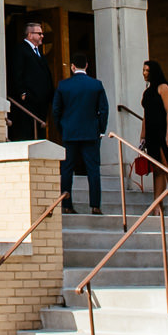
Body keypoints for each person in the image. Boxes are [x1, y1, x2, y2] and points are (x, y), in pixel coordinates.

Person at [51, 53, 110, 216]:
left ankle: (67, 204)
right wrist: (100, 130)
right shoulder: (96, 85)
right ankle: (95, 206)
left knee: (67, 169)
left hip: (69, 133)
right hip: (91, 133)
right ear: (87, 65)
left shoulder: (63, 86)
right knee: (93, 169)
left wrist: (61, 128)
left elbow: (56, 110)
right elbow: (104, 109)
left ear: (72, 67)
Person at [8, 19, 57, 141]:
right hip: (29, 102)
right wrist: (23, 93)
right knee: (29, 132)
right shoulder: (21, 50)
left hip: (41, 103)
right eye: (39, 33)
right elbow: (16, 72)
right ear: (30, 35)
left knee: (40, 131)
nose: (42, 36)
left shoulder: (39, 52)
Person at [141, 58, 168, 179]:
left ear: (154, 72)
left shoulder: (163, 88)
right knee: (157, 169)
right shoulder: (147, 92)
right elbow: (145, 115)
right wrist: (143, 136)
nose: (144, 73)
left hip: (163, 130)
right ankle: (158, 198)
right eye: (143, 70)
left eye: (147, 70)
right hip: (151, 133)